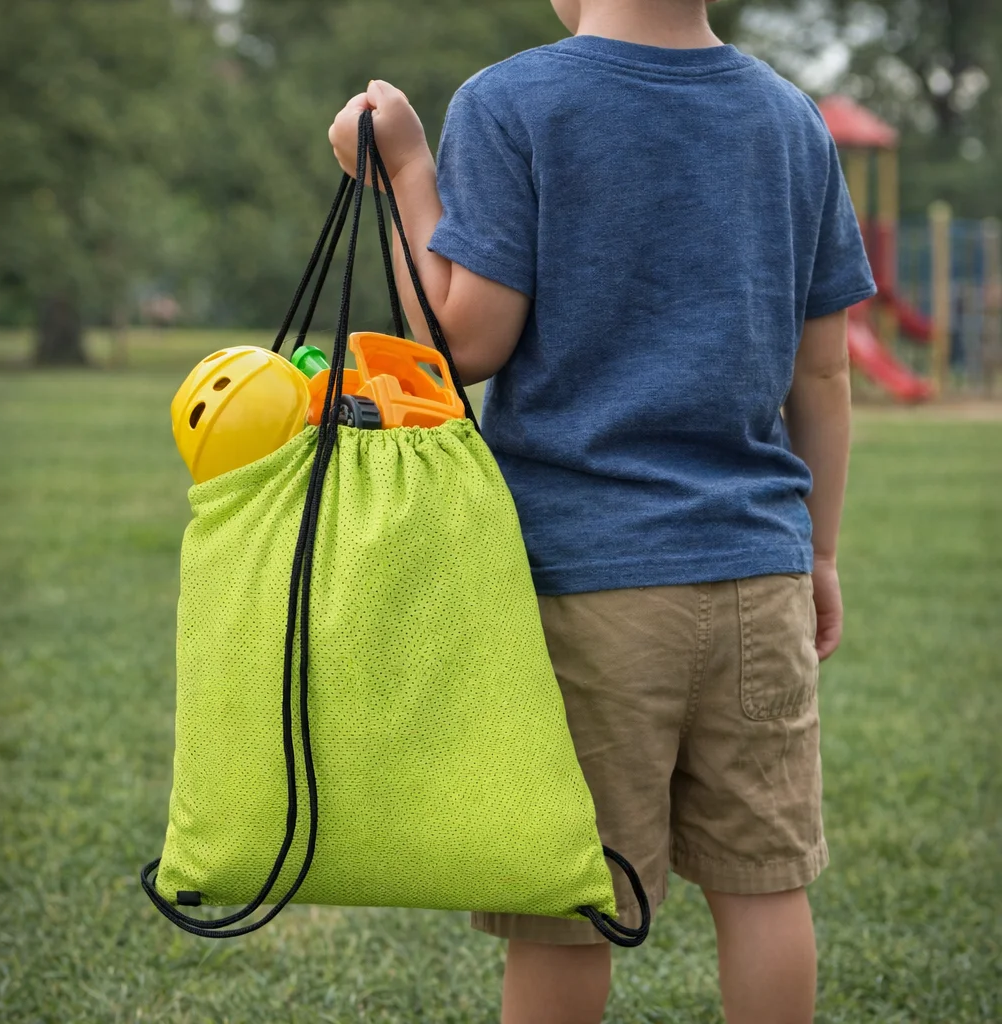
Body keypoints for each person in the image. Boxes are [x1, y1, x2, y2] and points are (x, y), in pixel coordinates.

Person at [328, 0, 875, 1021]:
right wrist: (821, 553)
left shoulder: (511, 102)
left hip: (586, 583)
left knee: (574, 897)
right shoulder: (790, 119)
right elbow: (825, 369)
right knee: (763, 885)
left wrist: (405, 169)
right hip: (758, 571)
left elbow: (461, 348)